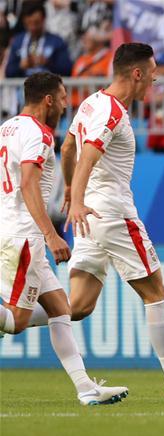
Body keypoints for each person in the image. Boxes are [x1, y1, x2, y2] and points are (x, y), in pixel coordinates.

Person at [61, 43, 164, 403]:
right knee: (157, 294)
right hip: (114, 214)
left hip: (90, 217)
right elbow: (87, 155)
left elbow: (67, 148)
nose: (155, 77)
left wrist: (74, 195)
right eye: (152, 71)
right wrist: (76, 198)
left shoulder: (91, 103)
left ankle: (10, 318)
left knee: (77, 306)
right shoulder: (113, 113)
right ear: (136, 73)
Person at [0, 72, 128, 406]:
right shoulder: (39, 135)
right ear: (47, 100)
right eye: (61, 98)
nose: (63, 104)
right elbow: (28, 184)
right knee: (15, 321)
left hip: (14, 229)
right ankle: (86, 388)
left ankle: (86, 388)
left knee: (60, 308)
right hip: (25, 235)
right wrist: (51, 234)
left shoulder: (8, 127)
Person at [4, 1, 72, 78]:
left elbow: (68, 70)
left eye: (36, 23)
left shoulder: (57, 42)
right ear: (24, 21)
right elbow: (8, 72)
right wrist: (20, 66)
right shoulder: (17, 41)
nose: (33, 27)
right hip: (22, 88)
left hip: (48, 88)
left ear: (44, 19)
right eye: (29, 23)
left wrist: (48, 63)